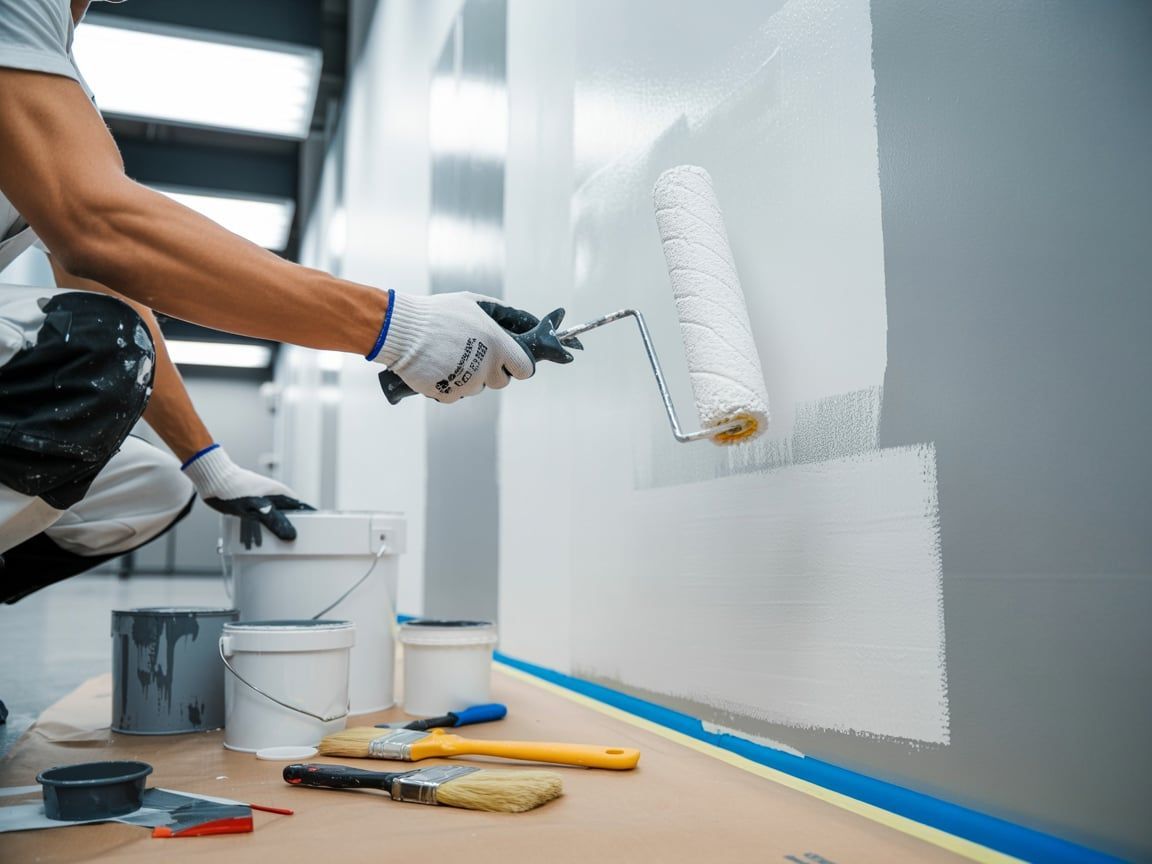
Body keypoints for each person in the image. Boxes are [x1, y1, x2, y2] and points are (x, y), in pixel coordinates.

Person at [0, 0, 545, 606]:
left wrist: (212, 467)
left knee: (151, 488)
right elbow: (96, 228)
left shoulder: (52, 64)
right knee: (95, 347)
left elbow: (96, 277)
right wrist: (400, 330)